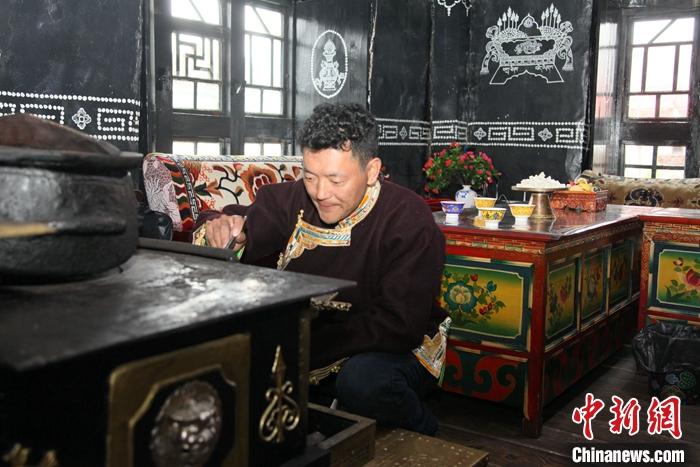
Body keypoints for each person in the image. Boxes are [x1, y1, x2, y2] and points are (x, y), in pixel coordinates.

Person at [194, 103, 449, 435]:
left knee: (364, 381)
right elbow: (237, 223)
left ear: (372, 171)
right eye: (310, 176)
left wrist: (301, 345)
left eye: (335, 180)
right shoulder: (293, 199)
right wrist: (222, 226)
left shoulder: (408, 219)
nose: (320, 193)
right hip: (310, 338)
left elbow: (400, 325)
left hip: (394, 347)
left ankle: (427, 435)